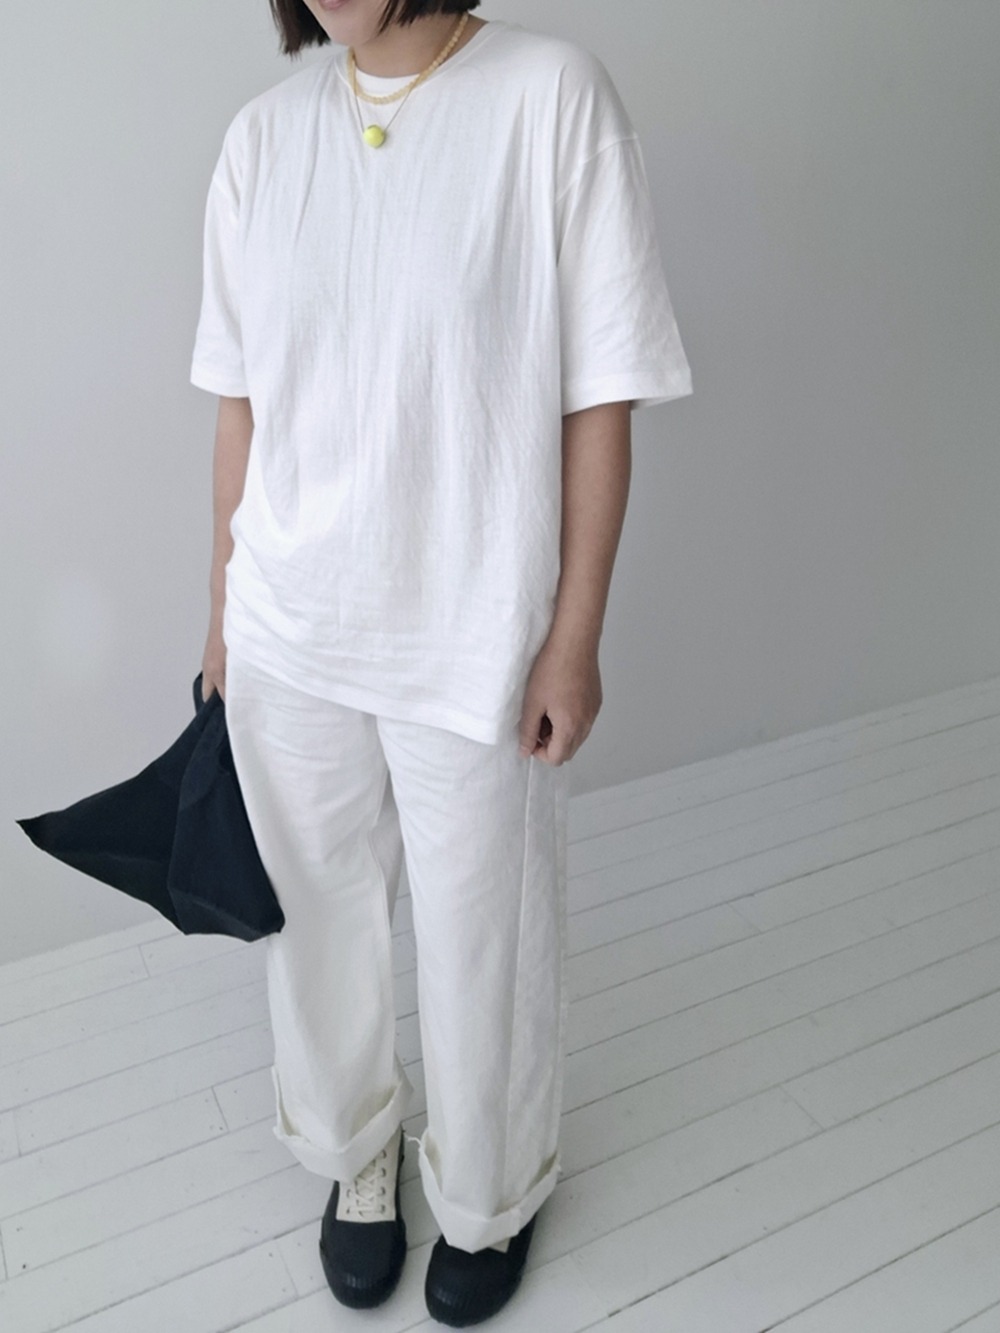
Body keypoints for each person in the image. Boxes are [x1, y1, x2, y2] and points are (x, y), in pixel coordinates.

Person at [189, 0, 693, 1324]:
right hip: (291, 625)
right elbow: (241, 401)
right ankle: (356, 1154)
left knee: (486, 942)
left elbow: (601, 392)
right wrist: (223, 614)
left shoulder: (551, 99)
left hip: (476, 628)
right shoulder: (260, 140)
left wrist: (575, 633)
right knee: (314, 924)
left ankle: (487, 1193)